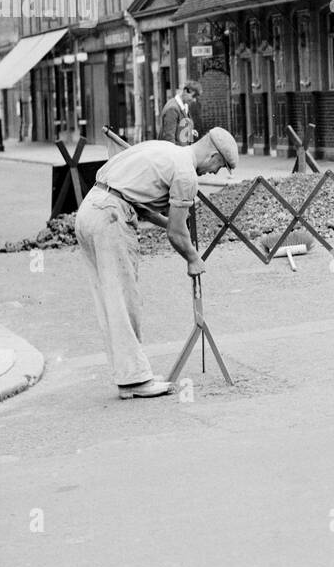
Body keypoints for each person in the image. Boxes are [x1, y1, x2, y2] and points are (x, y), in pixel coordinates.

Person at [75, 127, 238, 400]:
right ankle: (134, 380)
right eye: (218, 165)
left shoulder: (164, 150)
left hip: (91, 209)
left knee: (110, 301)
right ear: (212, 154)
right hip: (111, 217)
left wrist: (171, 223)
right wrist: (193, 258)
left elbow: (142, 205)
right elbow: (177, 233)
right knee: (125, 301)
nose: (213, 173)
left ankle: (130, 375)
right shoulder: (186, 174)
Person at [159, 81, 201, 145]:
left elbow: (179, 127)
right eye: (193, 96)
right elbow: (169, 138)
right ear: (185, 91)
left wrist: (189, 131)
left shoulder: (184, 106)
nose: (194, 100)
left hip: (183, 151)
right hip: (176, 153)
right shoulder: (172, 108)